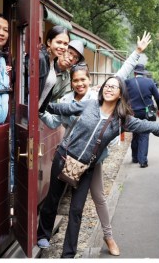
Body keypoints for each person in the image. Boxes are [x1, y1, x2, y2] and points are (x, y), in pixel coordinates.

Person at [37, 75, 159, 258]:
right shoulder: (89, 105)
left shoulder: (122, 120)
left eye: (114, 87)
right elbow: (61, 108)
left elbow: (150, 127)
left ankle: (68, 255)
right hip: (64, 158)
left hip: (87, 168)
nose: (109, 89)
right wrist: (40, 103)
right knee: (52, 199)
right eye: (107, 86)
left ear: (121, 94)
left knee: (76, 211)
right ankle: (43, 234)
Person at [40, 63, 120, 256]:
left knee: (94, 199)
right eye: (75, 80)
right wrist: (40, 111)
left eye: (83, 79)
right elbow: (55, 121)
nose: (79, 83)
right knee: (54, 197)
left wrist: (97, 153)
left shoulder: (97, 99)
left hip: (91, 161)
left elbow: (119, 81)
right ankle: (43, 234)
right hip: (67, 155)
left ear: (90, 80)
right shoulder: (66, 99)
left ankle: (107, 236)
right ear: (71, 82)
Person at [124, 65, 159, 168]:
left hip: (133, 112)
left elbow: (123, 97)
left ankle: (135, 157)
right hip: (146, 113)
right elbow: (158, 98)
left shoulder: (128, 82)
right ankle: (143, 161)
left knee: (135, 134)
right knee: (144, 134)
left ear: (134, 73)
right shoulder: (150, 82)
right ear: (144, 73)